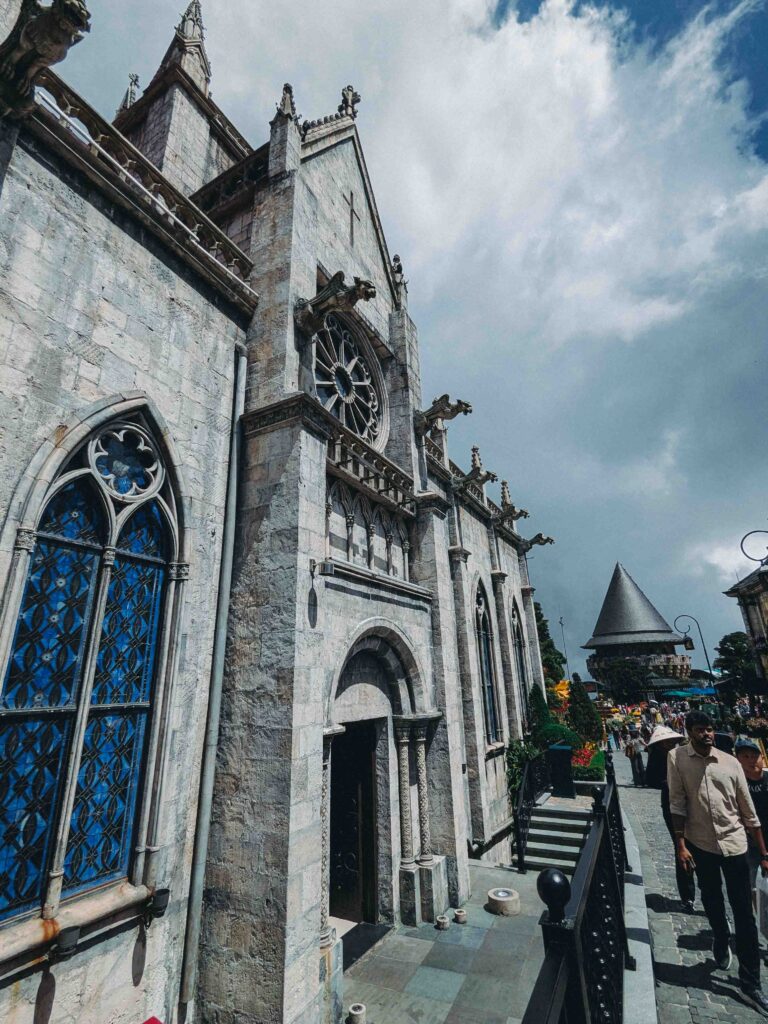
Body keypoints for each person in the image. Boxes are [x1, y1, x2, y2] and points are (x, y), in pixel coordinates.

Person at [668, 710, 768, 1015]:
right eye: (701, 730)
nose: (707, 735)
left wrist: (764, 853)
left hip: (734, 841)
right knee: (712, 899)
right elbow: (677, 802)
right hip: (702, 844)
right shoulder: (677, 759)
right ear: (689, 731)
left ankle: (750, 982)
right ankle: (721, 936)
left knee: (744, 913)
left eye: (710, 729)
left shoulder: (729, 762)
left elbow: (748, 811)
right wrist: (680, 846)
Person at [645, 725, 695, 912]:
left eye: (670, 741)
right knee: (680, 846)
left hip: (691, 803)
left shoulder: (683, 753)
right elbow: (649, 779)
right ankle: (688, 895)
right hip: (671, 805)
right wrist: (667, 783)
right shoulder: (657, 757)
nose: (668, 743)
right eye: (664, 741)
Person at [735, 738, 768, 902]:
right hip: (750, 843)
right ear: (738, 760)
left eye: (754, 756)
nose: (751, 761)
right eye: (745, 757)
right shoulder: (737, 784)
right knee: (754, 885)